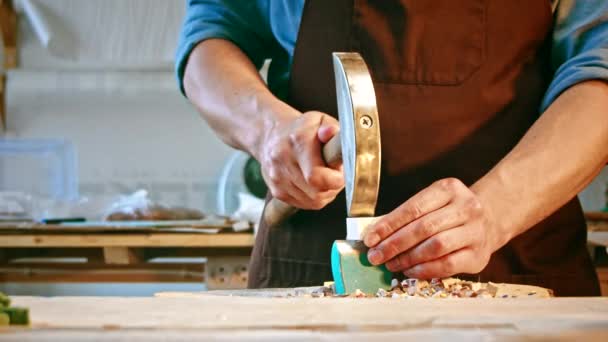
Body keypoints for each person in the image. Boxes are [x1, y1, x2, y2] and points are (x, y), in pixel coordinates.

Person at [176, 0, 608, 296]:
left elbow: (601, 64)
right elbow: (212, 33)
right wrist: (268, 129)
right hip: (309, 264)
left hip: (516, 262)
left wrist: (496, 210)